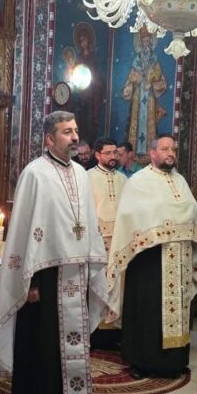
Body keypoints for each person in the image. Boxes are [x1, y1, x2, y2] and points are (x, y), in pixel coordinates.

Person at [0, 111, 111, 394]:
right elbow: (25, 231)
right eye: (67, 132)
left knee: (73, 350)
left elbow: (88, 225)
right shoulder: (35, 174)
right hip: (44, 279)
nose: (74, 137)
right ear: (49, 138)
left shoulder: (81, 174)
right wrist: (29, 282)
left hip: (76, 275)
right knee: (42, 350)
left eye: (76, 130)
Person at [107, 135, 197, 378]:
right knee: (148, 310)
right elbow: (131, 217)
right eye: (165, 149)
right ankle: (142, 362)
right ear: (152, 153)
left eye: (173, 149)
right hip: (150, 260)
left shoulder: (181, 181)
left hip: (180, 257)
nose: (171, 153)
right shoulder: (139, 182)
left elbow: (193, 212)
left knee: (178, 310)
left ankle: (174, 361)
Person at [87, 138, 127, 349]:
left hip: (120, 241)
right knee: (98, 285)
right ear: (97, 155)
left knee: (118, 287)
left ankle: (115, 332)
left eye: (115, 153)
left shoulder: (123, 179)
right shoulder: (87, 177)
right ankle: (96, 334)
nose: (113, 157)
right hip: (98, 241)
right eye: (108, 153)